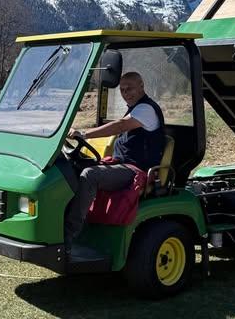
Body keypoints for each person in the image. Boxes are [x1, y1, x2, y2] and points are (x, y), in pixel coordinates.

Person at [64, 71, 165, 252]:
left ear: (141, 86)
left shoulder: (146, 109)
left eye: (130, 88)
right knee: (73, 166)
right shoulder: (135, 108)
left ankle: (69, 236)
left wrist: (84, 134)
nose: (126, 93)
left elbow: (120, 125)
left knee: (90, 175)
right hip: (122, 164)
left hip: (136, 170)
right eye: (123, 90)